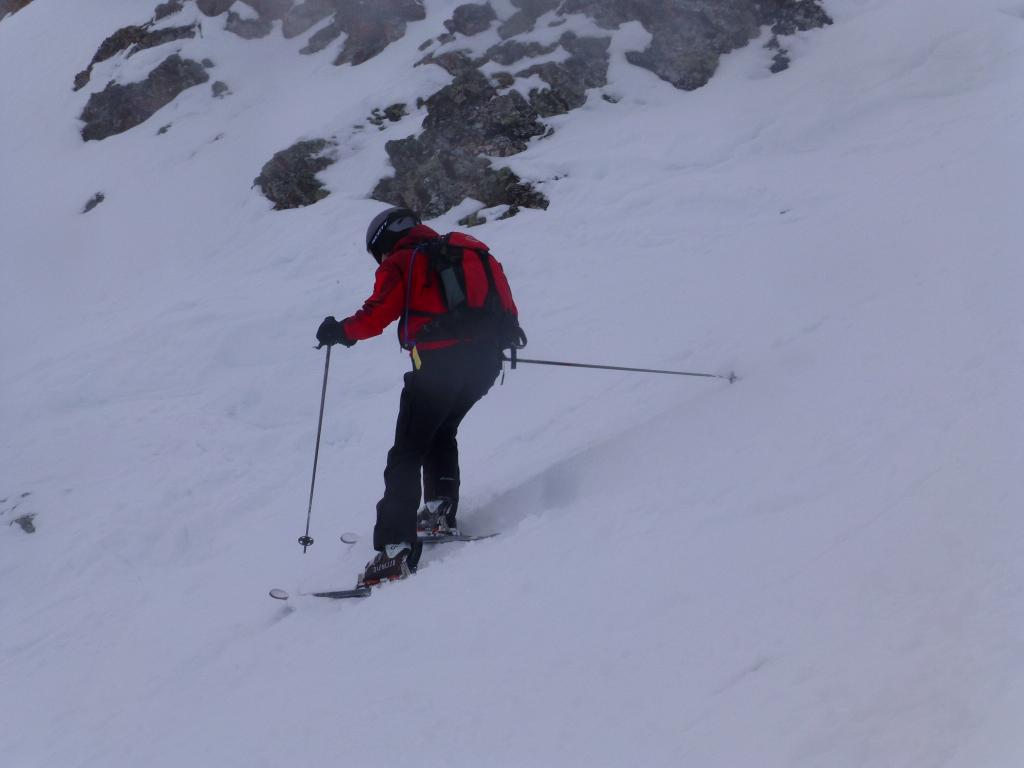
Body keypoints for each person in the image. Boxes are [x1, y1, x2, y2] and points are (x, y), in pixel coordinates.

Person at [315, 207, 521, 586]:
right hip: (485, 364)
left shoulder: (404, 260)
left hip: (440, 364)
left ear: (383, 242)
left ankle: (395, 551)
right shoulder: (463, 253)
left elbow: (378, 313)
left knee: (406, 452)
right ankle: (439, 509)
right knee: (440, 433)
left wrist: (339, 331)